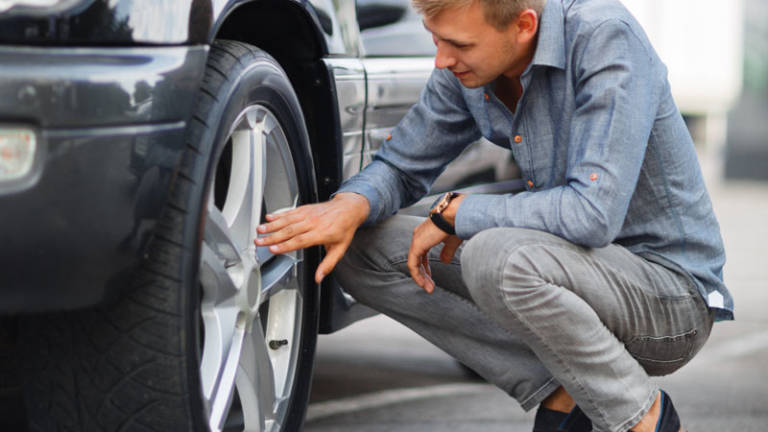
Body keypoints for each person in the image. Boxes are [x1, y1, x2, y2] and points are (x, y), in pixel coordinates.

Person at [255, 0, 734, 430]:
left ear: (524, 25)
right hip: (565, 274)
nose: (442, 59)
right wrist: (347, 207)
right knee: (358, 246)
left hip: (668, 300)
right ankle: (565, 390)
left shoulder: (604, 36)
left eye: (458, 44)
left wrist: (459, 211)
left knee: (497, 255)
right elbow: (402, 164)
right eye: (436, 40)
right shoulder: (470, 64)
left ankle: (640, 417)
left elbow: (592, 214)